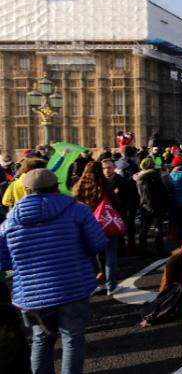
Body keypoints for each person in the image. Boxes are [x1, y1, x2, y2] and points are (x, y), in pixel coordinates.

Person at [0, 168, 107, 374]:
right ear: (56, 186)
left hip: (31, 293)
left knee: (40, 340)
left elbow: (4, 262)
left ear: (27, 190)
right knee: (73, 339)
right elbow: (98, 243)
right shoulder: (78, 211)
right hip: (72, 285)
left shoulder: (9, 221)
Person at [72, 161, 122, 295]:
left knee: (90, 256)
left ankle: (94, 284)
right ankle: (111, 286)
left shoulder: (78, 187)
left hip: (86, 225)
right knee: (110, 255)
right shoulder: (105, 185)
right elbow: (116, 203)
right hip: (105, 223)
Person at [134, 157, 170, 257]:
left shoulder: (138, 177)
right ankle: (160, 251)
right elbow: (162, 192)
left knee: (144, 229)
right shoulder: (154, 176)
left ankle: (143, 252)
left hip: (144, 206)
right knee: (158, 229)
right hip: (157, 206)